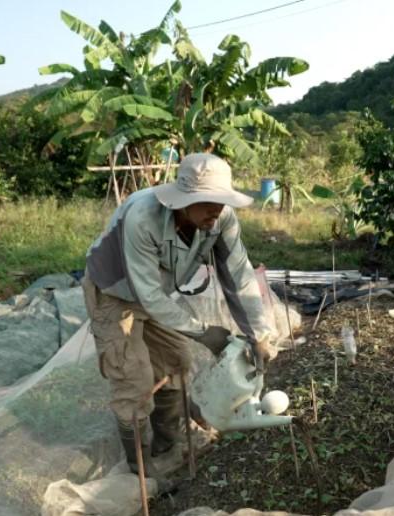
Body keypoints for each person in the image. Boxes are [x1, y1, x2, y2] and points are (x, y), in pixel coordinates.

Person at [81, 152, 274, 489]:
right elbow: (148, 296)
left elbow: (239, 275)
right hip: (115, 294)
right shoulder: (143, 217)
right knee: (134, 381)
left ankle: (167, 446)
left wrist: (258, 333)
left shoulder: (221, 219)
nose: (216, 209)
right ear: (183, 202)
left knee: (176, 362)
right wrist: (204, 333)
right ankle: (139, 470)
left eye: (222, 200)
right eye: (208, 201)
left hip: (155, 295)